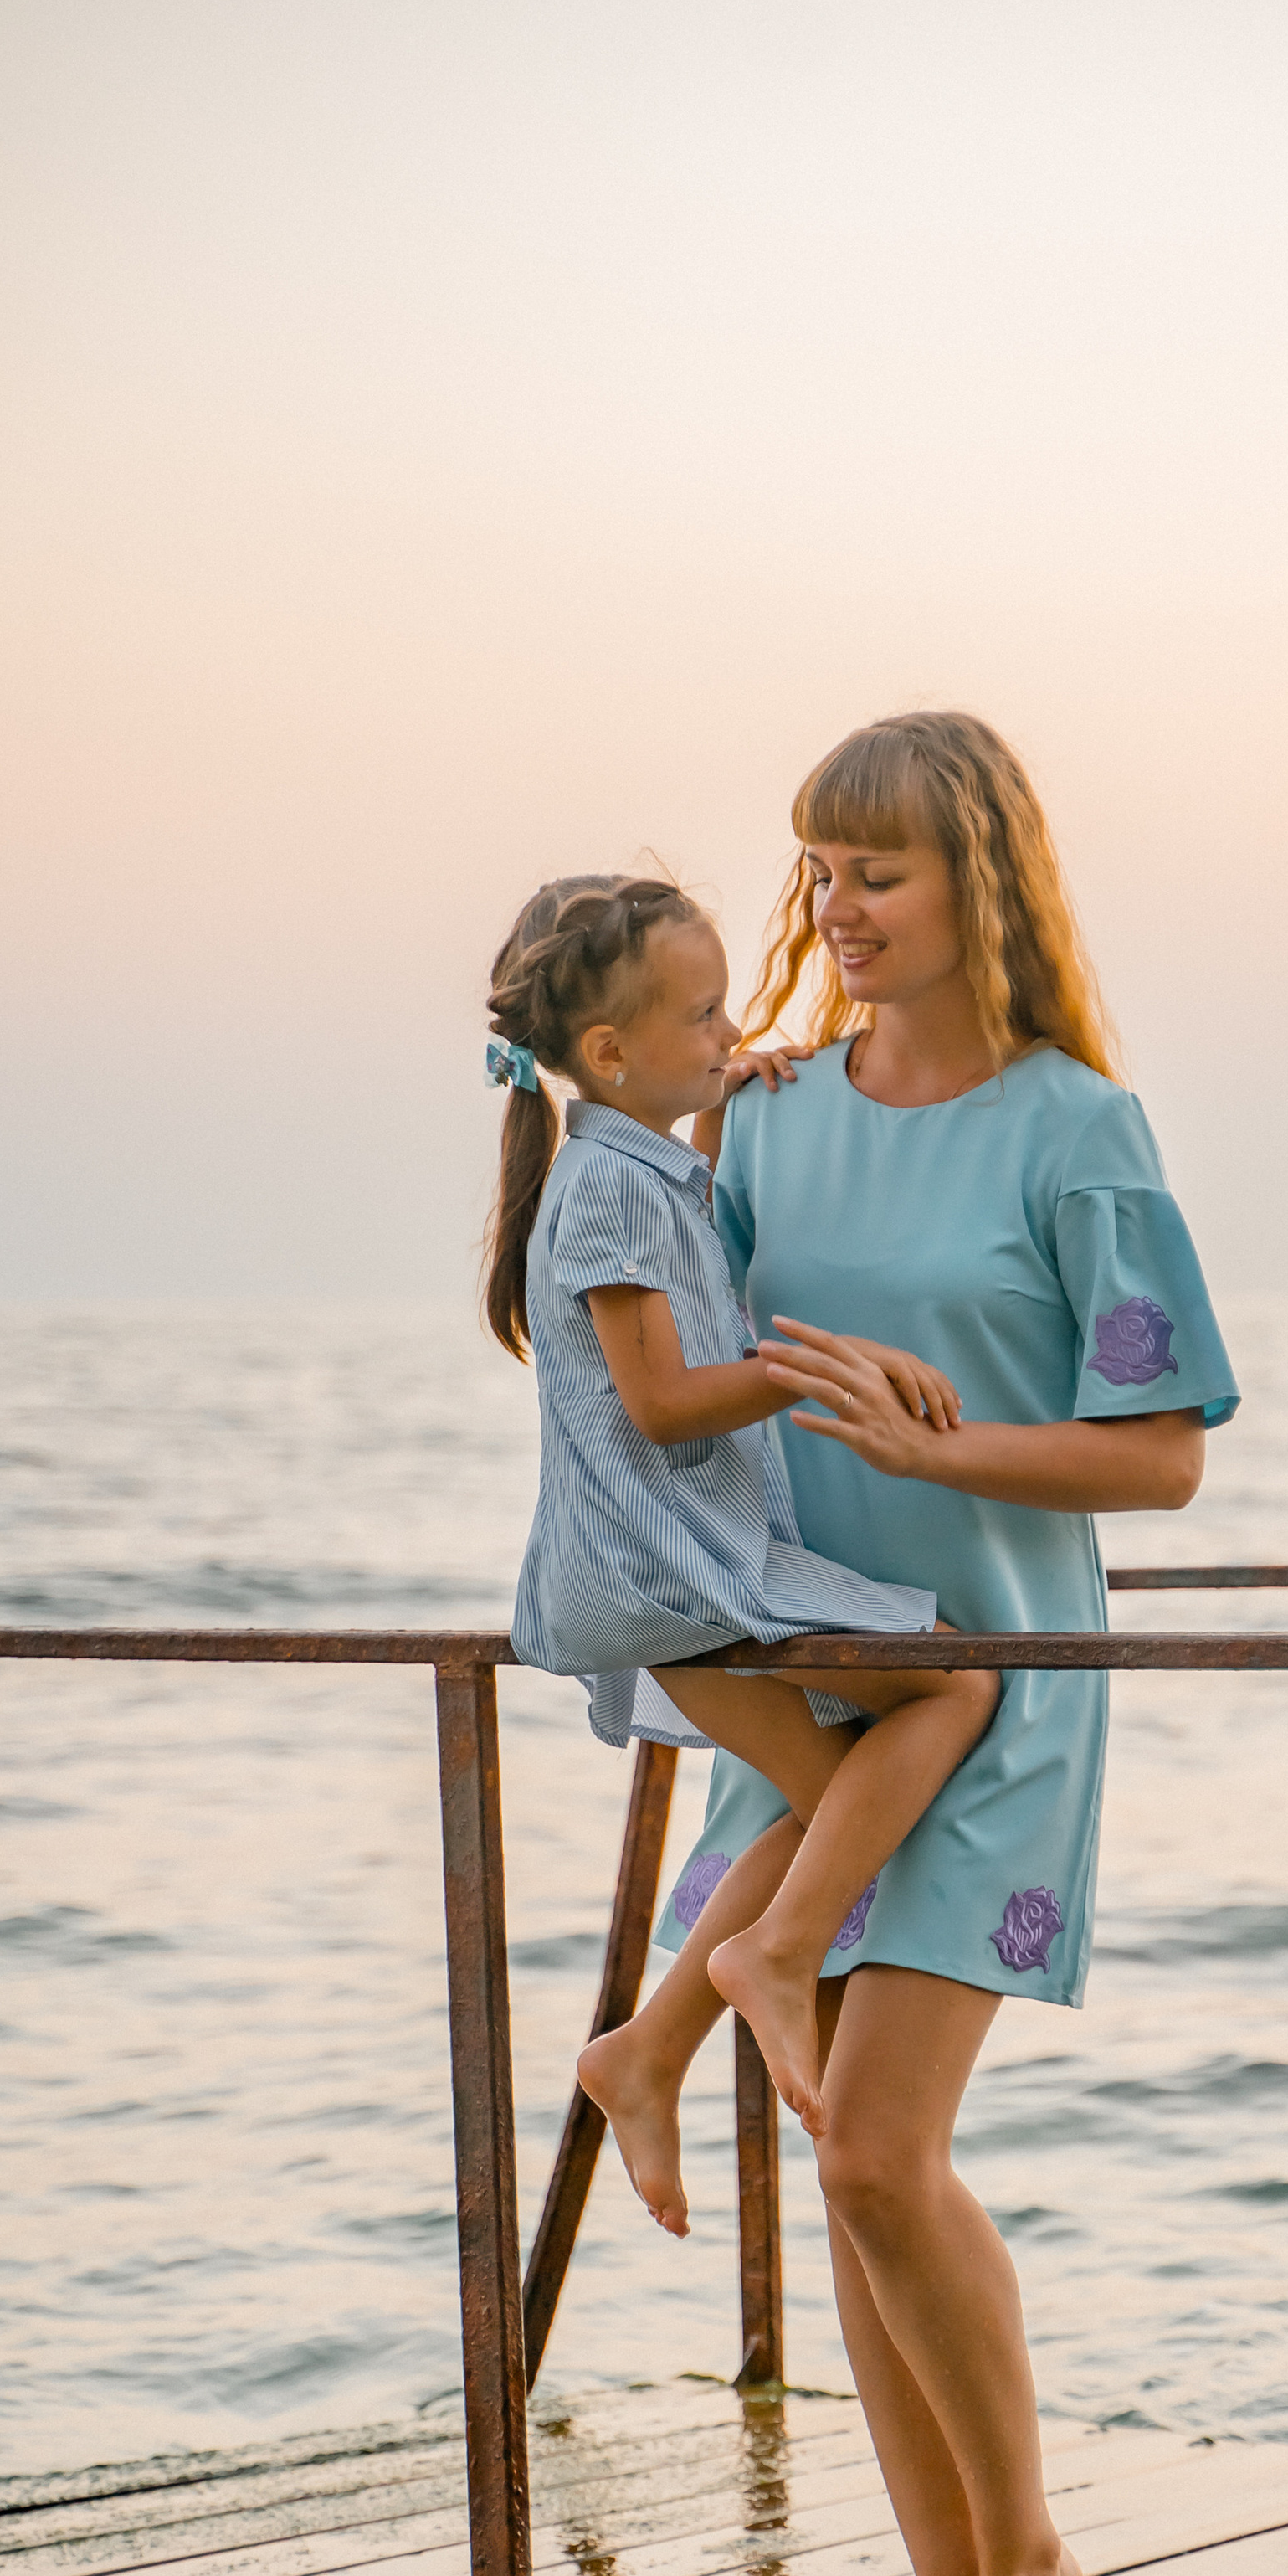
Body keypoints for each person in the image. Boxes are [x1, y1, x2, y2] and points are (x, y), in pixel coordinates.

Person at [651, 713, 1239, 2576]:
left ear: (981, 878)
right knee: (853, 2179)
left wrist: (947, 1438)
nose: (835, 907)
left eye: (876, 869)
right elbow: (663, 1364)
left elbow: (1159, 1459)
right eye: (817, 867)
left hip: (998, 1696)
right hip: (806, 1698)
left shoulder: (1079, 1126)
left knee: (887, 2150)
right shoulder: (768, 1115)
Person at [484, 873, 1001, 2214]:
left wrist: (717, 1099)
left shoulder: (632, 1164)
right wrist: (816, 1371)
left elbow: (677, 1287)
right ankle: (761, 1965)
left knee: (836, 1792)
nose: (735, 1030)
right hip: (674, 1573)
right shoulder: (603, 1186)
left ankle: (649, 2050)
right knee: (955, 1681)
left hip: (671, 1569)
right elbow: (660, 1400)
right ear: (609, 1055)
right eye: (706, 1015)